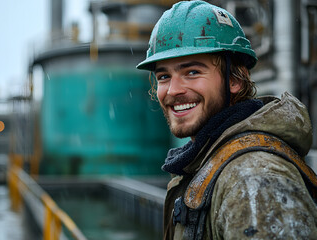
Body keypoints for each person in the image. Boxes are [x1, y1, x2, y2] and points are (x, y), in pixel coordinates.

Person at [136, 1, 317, 239]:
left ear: (235, 80)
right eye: (163, 76)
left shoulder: (254, 179)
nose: (173, 90)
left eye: (192, 72)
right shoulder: (207, 160)